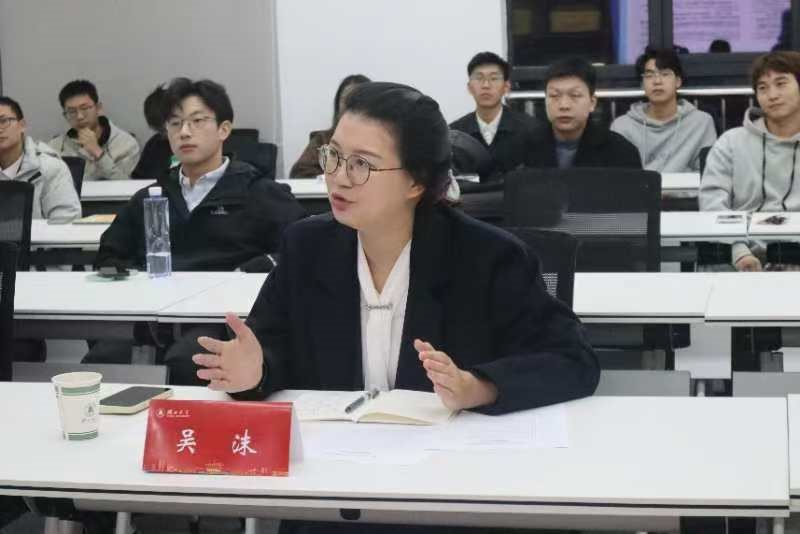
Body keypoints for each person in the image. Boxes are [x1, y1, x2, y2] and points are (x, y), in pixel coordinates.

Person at [192, 82, 599, 532]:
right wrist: (254, 372)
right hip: (334, 490)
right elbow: (275, 346)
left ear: (417, 181)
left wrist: (478, 386)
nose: (338, 176)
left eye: (361, 164)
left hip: (447, 497)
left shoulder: (488, 256)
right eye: (333, 156)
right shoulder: (308, 246)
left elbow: (572, 359)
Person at [84, 78, 306, 379]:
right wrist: (129, 274)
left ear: (224, 129)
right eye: (175, 124)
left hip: (225, 317)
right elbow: (110, 253)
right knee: (100, 360)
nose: (184, 132)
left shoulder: (258, 192)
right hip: (154, 315)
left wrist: (254, 268)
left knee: (188, 361)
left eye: (197, 121)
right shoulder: (152, 197)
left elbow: (302, 248)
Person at [701, 51, 800, 271]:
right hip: (738, 257)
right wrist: (738, 251)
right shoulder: (730, 142)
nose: (772, 95)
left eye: (781, 83)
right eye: (763, 88)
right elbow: (712, 204)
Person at [611, 48, 717, 172]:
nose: (657, 81)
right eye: (649, 75)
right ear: (642, 84)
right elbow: (618, 176)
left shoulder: (701, 122)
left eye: (665, 74)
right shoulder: (622, 127)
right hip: (639, 185)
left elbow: (708, 173)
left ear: (678, 81)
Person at [526, 57, 642, 169]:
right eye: (554, 95)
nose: (564, 105)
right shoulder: (524, 147)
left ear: (592, 103)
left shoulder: (621, 151)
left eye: (575, 95)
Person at [450, 51, 542, 181]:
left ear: (506, 87)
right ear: (470, 87)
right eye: (479, 78)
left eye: (494, 78)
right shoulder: (455, 134)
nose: (486, 85)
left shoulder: (531, 129)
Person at [0, 96, 81, 221]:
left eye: (3, 121)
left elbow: (66, 221)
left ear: (22, 125)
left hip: (42, 234)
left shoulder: (51, 167)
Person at [49, 79, 140, 180]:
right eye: (72, 112)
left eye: (85, 108)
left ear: (98, 108)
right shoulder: (55, 147)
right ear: (65, 116)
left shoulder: (126, 144)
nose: (79, 116)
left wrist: (98, 153)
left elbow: (126, 185)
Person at [289, 74, 371, 177]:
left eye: (356, 99)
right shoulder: (323, 140)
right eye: (345, 99)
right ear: (338, 105)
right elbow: (299, 173)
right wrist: (330, 176)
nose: (350, 105)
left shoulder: (379, 141)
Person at [131, 84, 176, 179]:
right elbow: (137, 179)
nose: (168, 133)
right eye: (162, 130)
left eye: (174, 124)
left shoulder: (199, 143)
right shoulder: (154, 144)